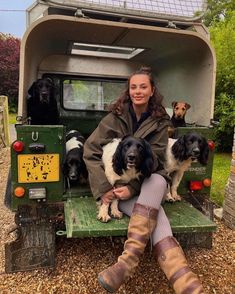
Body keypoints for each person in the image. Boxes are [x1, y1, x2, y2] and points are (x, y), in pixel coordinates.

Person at [83, 67, 203, 293]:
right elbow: (90, 150)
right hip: (117, 183)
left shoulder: (160, 121)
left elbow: (157, 159)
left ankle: (126, 263)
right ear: (129, 91)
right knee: (156, 213)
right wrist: (104, 189)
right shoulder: (115, 117)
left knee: (158, 182)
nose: (138, 91)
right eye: (133, 87)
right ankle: (184, 280)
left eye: (143, 87)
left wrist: (133, 188)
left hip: (146, 180)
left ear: (152, 91)